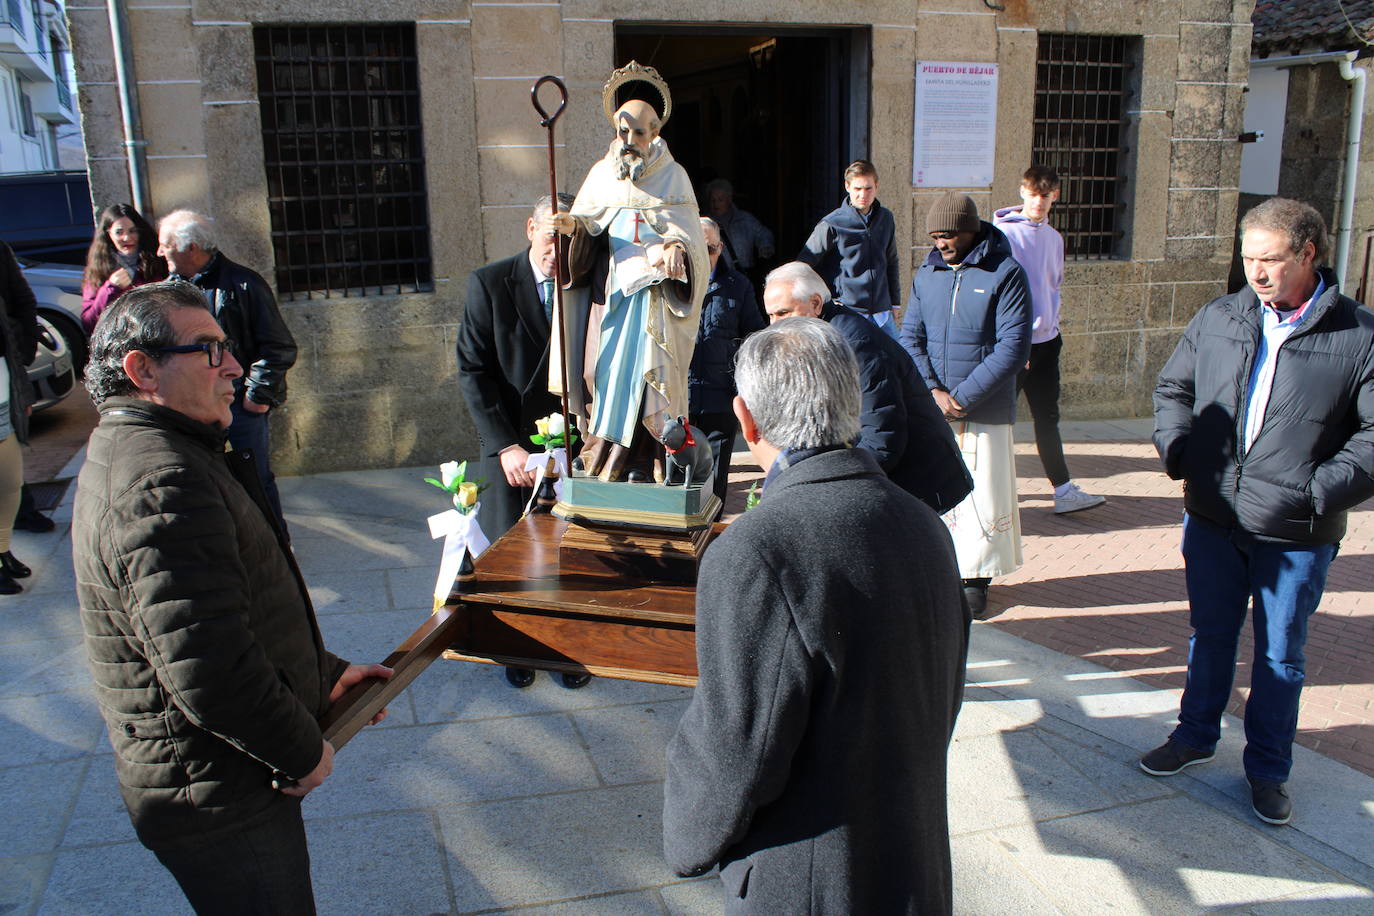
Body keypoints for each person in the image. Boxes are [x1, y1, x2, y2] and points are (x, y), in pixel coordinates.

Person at [72, 281, 392, 913]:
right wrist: (302, 752)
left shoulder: (165, 450)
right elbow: (207, 667)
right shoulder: (161, 481)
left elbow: (226, 611)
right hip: (213, 794)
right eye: (211, 350)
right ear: (142, 370)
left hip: (219, 776)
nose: (237, 367)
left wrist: (321, 675)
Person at [663, 317, 967, 914]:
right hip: (913, 868)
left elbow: (735, 748)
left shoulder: (758, 549)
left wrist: (687, 837)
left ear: (745, 418)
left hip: (807, 882)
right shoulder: (924, 524)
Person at [1142, 198, 1374, 827]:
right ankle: (1194, 736)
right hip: (1214, 517)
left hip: (1294, 532)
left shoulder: (1359, 334)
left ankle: (1268, 770)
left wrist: (1317, 491)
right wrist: (1182, 451)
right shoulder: (1220, 317)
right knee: (1209, 636)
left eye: (1269, 259)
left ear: (1308, 253)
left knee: (1279, 657)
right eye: (1247, 258)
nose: (1256, 272)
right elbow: (1173, 389)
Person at [457, 194, 591, 691]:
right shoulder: (490, 283)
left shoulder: (586, 288)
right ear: (531, 227)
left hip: (571, 442)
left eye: (570, 237)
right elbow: (473, 371)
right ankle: (516, 646)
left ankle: (567, 650)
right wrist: (506, 446)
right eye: (552, 233)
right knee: (507, 551)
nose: (559, 248)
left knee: (568, 550)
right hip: (510, 443)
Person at [552, 64, 708, 483]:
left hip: (652, 302)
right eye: (624, 131)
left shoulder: (673, 177)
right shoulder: (602, 174)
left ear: (655, 131)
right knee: (596, 373)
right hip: (611, 297)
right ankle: (602, 457)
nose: (630, 141)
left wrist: (677, 248)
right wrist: (573, 229)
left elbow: (693, 241)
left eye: (640, 133)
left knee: (648, 380)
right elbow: (586, 230)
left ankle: (646, 462)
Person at [900, 192, 1032, 620]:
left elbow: (1013, 346)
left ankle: (977, 581)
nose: (941, 243)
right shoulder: (928, 274)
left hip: (984, 407)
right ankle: (936, 573)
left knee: (983, 499)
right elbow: (910, 338)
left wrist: (963, 397)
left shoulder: (1006, 273)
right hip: (934, 406)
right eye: (935, 236)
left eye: (949, 234)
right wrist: (933, 393)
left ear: (971, 230)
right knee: (935, 493)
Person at [762, 261, 972, 516]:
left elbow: (882, 439)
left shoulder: (854, 345)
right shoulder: (822, 335)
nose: (775, 326)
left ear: (816, 304)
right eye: (770, 315)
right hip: (888, 481)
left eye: (783, 313)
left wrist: (835, 491)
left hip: (918, 484)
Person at [158, 209, 297, 533]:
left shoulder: (244, 284)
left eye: (165, 244)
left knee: (254, 478)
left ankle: (276, 543)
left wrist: (256, 397)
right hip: (191, 406)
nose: (160, 252)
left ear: (190, 247)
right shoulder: (169, 293)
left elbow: (278, 346)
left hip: (238, 406)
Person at [994, 166, 1104, 515]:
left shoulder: (1055, 238)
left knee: (1047, 417)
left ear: (1054, 196)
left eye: (1046, 195)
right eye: (1034, 193)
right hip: (1016, 343)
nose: (1039, 201)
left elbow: (1052, 285)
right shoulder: (1003, 235)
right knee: (996, 421)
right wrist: (1015, 341)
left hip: (1048, 342)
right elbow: (1002, 293)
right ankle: (984, 492)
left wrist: (1050, 329)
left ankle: (1064, 490)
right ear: (1022, 191)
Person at [687, 217, 765, 506]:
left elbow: (753, 338)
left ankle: (712, 540)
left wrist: (745, 389)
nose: (705, 254)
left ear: (720, 248)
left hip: (721, 394)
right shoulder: (671, 282)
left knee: (714, 482)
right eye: (698, 246)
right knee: (678, 477)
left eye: (710, 248)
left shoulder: (738, 286)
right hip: (680, 397)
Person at [797, 159, 901, 335]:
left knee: (898, 360)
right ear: (847, 187)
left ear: (877, 186)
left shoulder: (886, 218)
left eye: (868, 188)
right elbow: (803, 265)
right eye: (857, 189)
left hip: (882, 314)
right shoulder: (832, 224)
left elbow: (891, 261)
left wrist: (895, 303)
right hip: (849, 311)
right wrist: (825, 300)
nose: (863, 195)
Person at [0, 240, 39, 594]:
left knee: (8, 476)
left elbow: (23, 303)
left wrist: (23, 358)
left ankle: (3, 550)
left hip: (3, 376)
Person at [81, 203, 167, 333]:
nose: (126, 238)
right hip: (121, 341)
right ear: (108, 234)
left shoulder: (158, 260)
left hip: (158, 336)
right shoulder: (99, 268)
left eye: (132, 231)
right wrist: (109, 289)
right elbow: (88, 323)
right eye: (119, 232)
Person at [703, 177, 775, 291]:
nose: (716, 204)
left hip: (744, 276)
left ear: (729, 199)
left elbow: (763, 234)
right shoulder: (705, 225)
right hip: (717, 280)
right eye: (713, 200)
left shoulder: (745, 220)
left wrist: (765, 246)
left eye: (720, 200)